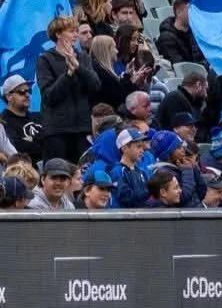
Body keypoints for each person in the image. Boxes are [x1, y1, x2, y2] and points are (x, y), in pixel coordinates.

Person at [36, 15, 101, 162]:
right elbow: (49, 96)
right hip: (57, 131)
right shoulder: (45, 59)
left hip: (82, 129)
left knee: (84, 171)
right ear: (58, 34)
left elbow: (95, 86)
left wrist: (78, 68)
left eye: (76, 31)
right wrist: (68, 74)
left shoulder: (83, 58)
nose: (76, 35)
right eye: (72, 31)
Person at [1, 74, 42, 162]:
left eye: (28, 90)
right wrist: (42, 140)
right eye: (22, 92)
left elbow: (52, 139)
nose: (27, 95)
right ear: (9, 96)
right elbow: (17, 148)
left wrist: (32, 140)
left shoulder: (38, 116)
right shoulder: (3, 122)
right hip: (25, 167)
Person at [156, 0, 208, 67]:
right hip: (189, 72)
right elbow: (180, 66)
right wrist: (205, 65)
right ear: (178, 12)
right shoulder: (166, 38)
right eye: (190, 10)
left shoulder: (195, 31)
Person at [110, 127, 151, 208]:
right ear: (124, 148)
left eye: (142, 147)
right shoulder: (117, 171)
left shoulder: (141, 172)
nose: (142, 150)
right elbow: (126, 198)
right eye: (138, 147)